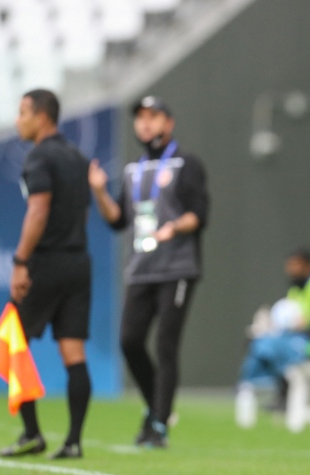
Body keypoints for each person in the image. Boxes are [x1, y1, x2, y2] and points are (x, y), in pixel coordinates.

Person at [88, 96, 209, 447]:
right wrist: (98, 191)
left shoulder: (187, 163)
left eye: (153, 117)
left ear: (168, 123)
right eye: (140, 118)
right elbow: (119, 220)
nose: (145, 124)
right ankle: (157, 409)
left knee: (166, 345)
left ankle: (158, 424)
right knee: (129, 342)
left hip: (177, 268)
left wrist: (174, 227)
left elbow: (199, 213)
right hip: (141, 269)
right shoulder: (132, 170)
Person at [1, 89, 92, 460]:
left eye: (22, 112)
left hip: (47, 263)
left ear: (42, 117)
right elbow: (83, 214)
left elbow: (38, 211)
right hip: (78, 262)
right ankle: (72, 441)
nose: (17, 120)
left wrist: (21, 261)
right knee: (74, 353)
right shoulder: (77, 157)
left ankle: (33, 433)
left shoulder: (39, 156)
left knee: (11, 340)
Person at [235, 298, 309, 428]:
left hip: (258, 384)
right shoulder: (291, 340)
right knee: (297, 381)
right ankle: (295, 423)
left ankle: (246, 424)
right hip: (269, 385)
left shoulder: (266, 339)